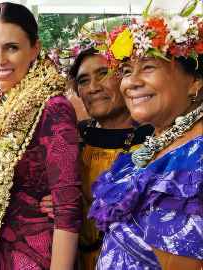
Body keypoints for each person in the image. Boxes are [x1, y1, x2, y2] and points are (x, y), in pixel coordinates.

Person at [0, 3, 82, 269]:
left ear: (35, 49)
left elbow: (67, 208)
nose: (0, 60)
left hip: (35, 257)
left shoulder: (53, 107)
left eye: (11, 48)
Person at [87, 8, 203, 269]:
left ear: (195, 80)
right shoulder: (161, 143)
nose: (131, 82)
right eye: (126, 70)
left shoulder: (195, 159)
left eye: (148, 67)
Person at [41, 44, 154, 269]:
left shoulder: (154, 140)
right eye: (83, 81)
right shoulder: (72, 139)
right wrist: (57, 205)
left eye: (103, 74)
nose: (93, 87)